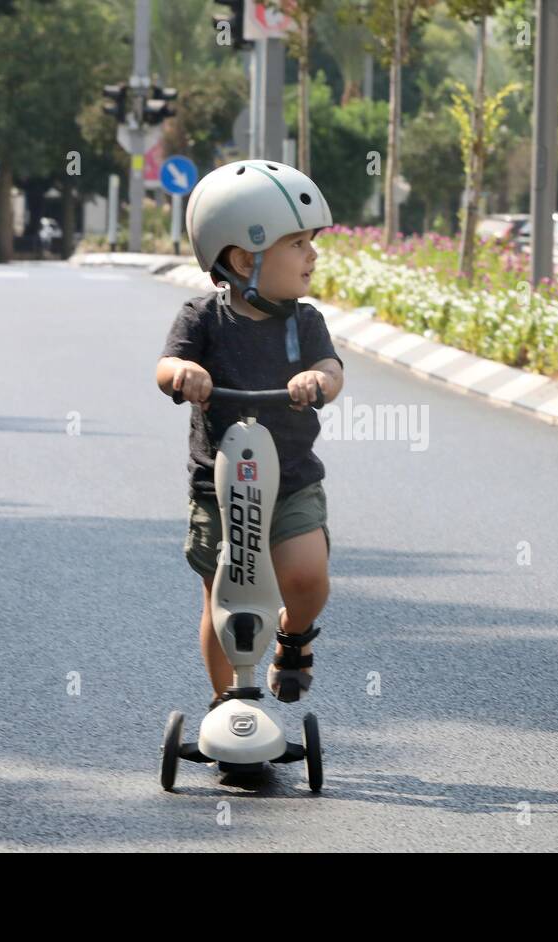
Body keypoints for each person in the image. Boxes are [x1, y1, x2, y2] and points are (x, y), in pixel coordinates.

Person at [155, 160, 344, 709]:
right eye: (298, 244)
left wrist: (320, 379)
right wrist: (183, 375)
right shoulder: (201, 318)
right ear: (243, 257)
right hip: (219, 490)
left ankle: (294, 635)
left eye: (312, 242)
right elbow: (165, 367)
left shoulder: (304, 323)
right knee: (222, 601)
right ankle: (228, 699)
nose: (312, 255)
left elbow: (333, 371)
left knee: (307, 577)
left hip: (291, 484)